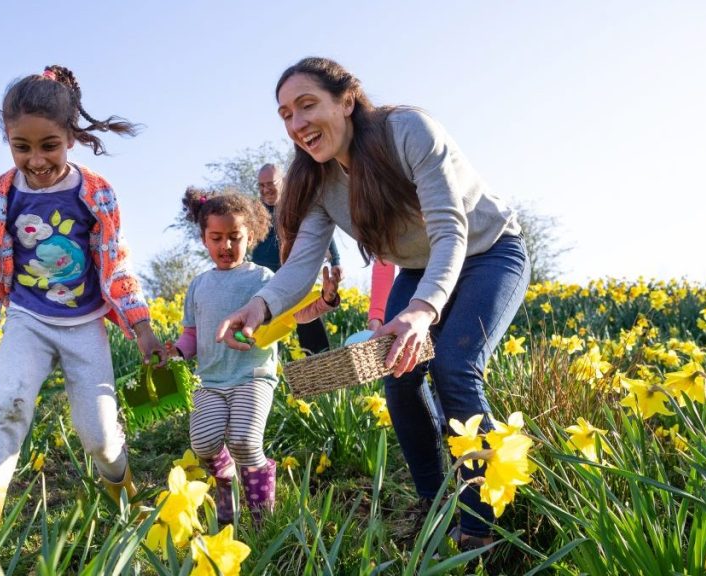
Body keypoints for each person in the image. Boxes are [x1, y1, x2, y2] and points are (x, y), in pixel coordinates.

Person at [217, 57, 531, 548]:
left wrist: (421, 312)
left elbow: (451, 231)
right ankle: (436, 508)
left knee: (455, 368)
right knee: (400, 378)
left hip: (488, 252)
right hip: (418, 268)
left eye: (306, 105)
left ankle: (483, 529)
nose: (297, 124)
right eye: (285, 115)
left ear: (346, 101)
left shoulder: (408, 131)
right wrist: (260, 307)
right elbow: (301, 266)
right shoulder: (317, 179)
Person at [0, 65, 165, 575]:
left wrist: (142, 328)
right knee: (6, 412)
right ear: (7, 140)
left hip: (86, 323)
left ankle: (125, 501)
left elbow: (116, 264)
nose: (37, 159)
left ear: (72, 137)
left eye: (49, 144)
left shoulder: (97, 193)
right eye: (21, 147)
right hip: (27, 319)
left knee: (100, 437)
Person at [168, 187, 341, 525]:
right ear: (204, 239)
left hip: (253, 377)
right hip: (211, 381)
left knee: (245, 441)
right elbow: (191, 333)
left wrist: (325, 301)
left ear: (252, 237)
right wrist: (175, 353)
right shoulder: (199, 285)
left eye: (235, 237)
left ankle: (263, 516)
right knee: (203, 443)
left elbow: (293, 314)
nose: (226, 246)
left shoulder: (263, 278)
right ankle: (226, 481)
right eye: (216, 238)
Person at [251, 163, 341, 354]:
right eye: (261, 186)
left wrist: (336, 262)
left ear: (283, 182)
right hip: (265, 283)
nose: (265, 189)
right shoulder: (255, 213)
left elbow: (323, 232)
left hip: (295, 279)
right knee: (266, 333)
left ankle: (321, 369)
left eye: (270, 184)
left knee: (308, 325)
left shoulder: (298, 207)